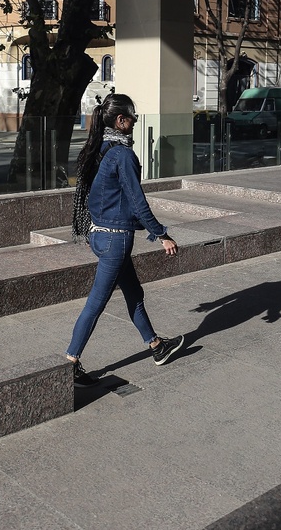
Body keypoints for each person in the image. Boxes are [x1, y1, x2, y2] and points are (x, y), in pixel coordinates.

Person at [66, 93, 184, 387]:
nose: (135, 120)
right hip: (115, 241)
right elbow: (136, 201)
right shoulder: (122, 155)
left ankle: (156, 346)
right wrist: (161, 234)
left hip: (99, 235)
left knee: (134, 293)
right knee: (96, 303)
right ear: (121, 121)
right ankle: (70, 363)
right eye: (132, 115)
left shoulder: (101, 149)